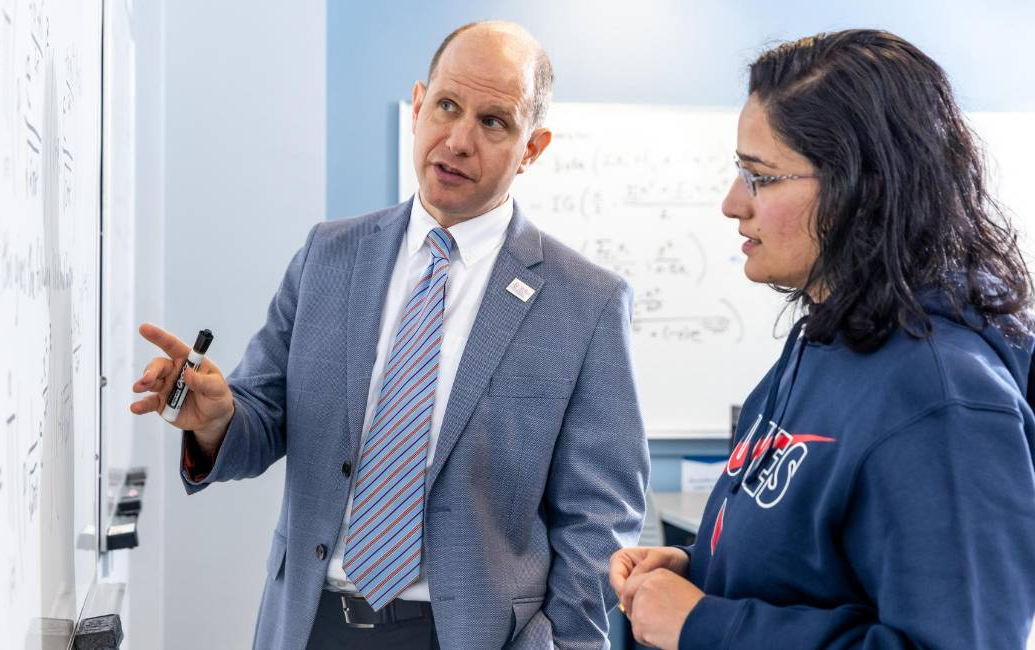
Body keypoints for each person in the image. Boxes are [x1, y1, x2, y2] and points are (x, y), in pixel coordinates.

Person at [132, 20, 649, 650]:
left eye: (494, 122)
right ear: (417, 106)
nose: (458, 140)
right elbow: (261, 421)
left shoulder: (583, 302)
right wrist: (216, 418)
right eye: (447, 106)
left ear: (532, 148)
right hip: (310, 624)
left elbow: (601, 520)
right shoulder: (330, 255)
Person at [610, 29, 1035, 650]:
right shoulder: (829, 336)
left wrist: (705, 623)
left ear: (859, 190)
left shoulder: (942, 402)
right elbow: (815, 563)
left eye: (760, 177)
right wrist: (700, 571)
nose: (733, 204)